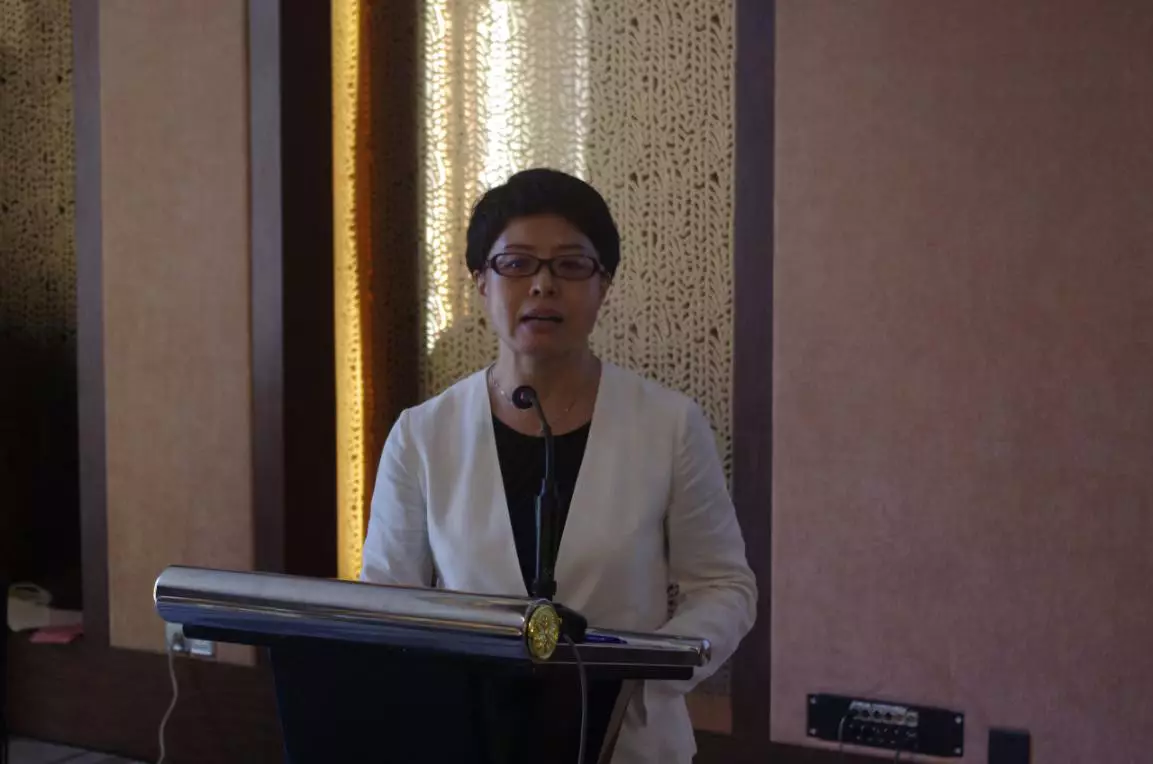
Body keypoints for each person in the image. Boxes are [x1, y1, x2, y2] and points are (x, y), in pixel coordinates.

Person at [361, 168, 756, 763]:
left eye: (570, 265)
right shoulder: (422, 435)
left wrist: (639, 674)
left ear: (604, 285)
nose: (543, 285)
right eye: (517, 264)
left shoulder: (669, 425)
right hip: (469, 735)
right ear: (480, 282)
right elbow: (387, 601)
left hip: (627, 738)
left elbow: (725, 587)